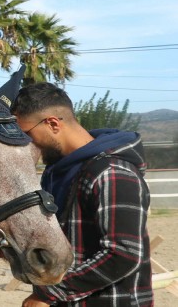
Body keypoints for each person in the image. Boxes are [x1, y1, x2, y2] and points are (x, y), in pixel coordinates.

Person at [12, 82, 153, 307]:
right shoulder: (58, 172)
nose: (28, 144)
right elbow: (36, 230)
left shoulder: (111, 173)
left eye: (27, 134)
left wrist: (48, 294)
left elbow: (124, 254)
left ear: (52, 124)